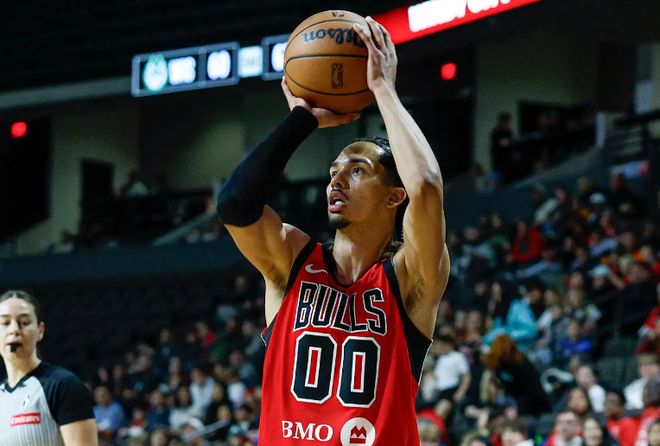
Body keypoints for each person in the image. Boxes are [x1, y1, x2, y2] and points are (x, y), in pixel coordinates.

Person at [217, 16, 449, 445]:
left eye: (357, 170)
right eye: (333, 171)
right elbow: (234, 203)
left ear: (394, 196)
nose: (336, 181)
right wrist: (301, 120)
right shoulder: (292, 258)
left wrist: (382, 89)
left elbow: (426, 186)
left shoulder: (409, 277)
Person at [0, 290, 98, 445]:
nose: (14, 330)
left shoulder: (63, 385)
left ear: (40, 331)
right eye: (5, 323)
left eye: (24, 322)